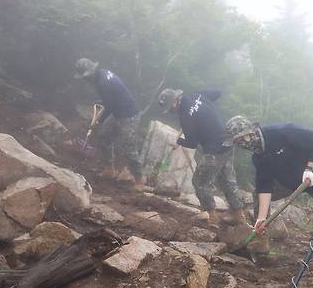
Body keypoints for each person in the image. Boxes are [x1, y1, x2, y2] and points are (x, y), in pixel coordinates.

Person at [224, 117, 313, 267]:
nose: (242, 144)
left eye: (242, 139)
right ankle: (261, 240)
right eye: (238, 142)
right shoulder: (258, 156)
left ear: (251, 131)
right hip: (291, 183)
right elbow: (264, 186)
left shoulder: (281, 132)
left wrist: (309, 168)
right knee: (258, 196)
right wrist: (261, 218)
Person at [158, 88, 246, 227]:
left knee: (200, 181)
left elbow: (192, 143)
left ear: (174, 102)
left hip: (214, 149)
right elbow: (217, 92)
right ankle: (239, 215)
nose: (171, 111)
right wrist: (204, 112)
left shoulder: (185, 115)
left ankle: (212, 217)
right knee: (227, 179)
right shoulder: (196, 94)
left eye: (170, 108)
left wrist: (179, 140)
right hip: (228, 140)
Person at [74, 58, 144, 190]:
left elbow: (110, 106)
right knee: (103, 136)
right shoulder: (103, 73)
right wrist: (103, 100)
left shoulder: (102, 83)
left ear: (90, 73)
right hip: (118, 110)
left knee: (128, 147)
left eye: (85, 77)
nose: (85, 80)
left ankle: (139, 179)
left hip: (129, 114)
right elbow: (112, 97)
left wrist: (98, 122)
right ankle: (109, 169)